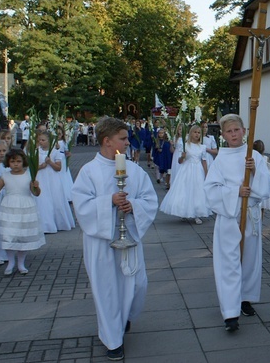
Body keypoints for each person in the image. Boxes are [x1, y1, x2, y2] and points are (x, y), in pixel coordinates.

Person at [71, 117, 158, 361]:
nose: (128, 141)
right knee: (106, 288)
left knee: (138, 284)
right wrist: (108, 201)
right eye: (123, 138)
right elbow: (81, 204)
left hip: (128, 235)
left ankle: (125, 316)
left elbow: (150, 200)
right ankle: (112, 340)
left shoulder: (135, 170)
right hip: (100, 241)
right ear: (107, 141)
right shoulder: (89, 171)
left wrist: (133, 206)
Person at [204, 114, 270, 332]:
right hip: (229, 217)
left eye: (237, 130)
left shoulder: (254, 156)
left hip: (250, 216)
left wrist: (254, 171)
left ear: (244, 131)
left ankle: (245, 298)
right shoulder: (220, 159)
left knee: (250, 260)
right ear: (223, 135)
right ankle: (230, 311)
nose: (233, 134)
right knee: (229, 264)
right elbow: (210, 190)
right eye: (229, 131)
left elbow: (267, 186)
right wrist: (236, 192)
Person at [0, 148, 45, 276]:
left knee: (22, 235)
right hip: (9, 207)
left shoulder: (29, 175)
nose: (15, 164)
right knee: (9, 234)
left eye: (18, 161)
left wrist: (36, 187)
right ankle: (10, 261)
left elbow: (36, 193)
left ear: (23, 162)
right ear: (8, 162)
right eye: (12, 161)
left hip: (25, 207)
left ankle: (21, 263)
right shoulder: (5, 176)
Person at [160, 125, 210, 224]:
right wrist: (182, 157)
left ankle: (197, 213)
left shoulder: (202, 147)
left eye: (199, 133)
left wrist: (206, 174)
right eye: (195, 132)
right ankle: (183, 210)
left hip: (197, 170)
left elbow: (204, 161)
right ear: (191, 133)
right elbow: (180, 161)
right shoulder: (186, 145)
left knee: (197, 191)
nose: (197, 134)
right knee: (185, 190)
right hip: (187, 169)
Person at [35, 131, 75, 233]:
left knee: (56, 198)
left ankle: (59, 222)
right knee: (43, 200)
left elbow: (58, 168)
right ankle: (45, 224)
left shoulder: (55, 152)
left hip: (53, 178)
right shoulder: (36, 151)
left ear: (50, 141)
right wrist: (40, 167)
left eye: (43, 140)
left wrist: (50, 162)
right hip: (41, 178)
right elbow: (32, 167)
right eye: (39, 140)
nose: (41, 142)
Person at [252, 139, 270, 214]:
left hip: (256, 184)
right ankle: (261, 221)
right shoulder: (266, 158)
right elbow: (269, 171)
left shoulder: (252, 158)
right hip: (264, 183)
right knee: (262, 208)